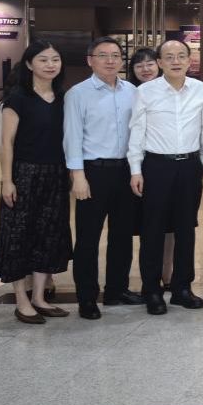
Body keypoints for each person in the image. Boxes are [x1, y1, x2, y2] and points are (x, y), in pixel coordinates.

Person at [0, 40, 72, 324]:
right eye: (43, 59)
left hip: (56, 174)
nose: (50, 65)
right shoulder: (18, 98)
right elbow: (7, 143)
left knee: (48, 234)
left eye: (55, 59)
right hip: (24, 174)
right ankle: (21, 299)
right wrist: (7, 181)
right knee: (19, 235)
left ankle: (39, 297)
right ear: (29, 64)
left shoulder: (64, 98)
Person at [127, 39, 203, 315]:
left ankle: (182, 288)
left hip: (190, 166)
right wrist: (135, 170)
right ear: (160, 62)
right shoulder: (146, 91)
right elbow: (137, 131)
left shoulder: (200, 89)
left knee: (186, 229)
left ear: (189, 61)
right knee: (153, 230)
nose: (175, 61)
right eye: (169, 57)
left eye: (181, 56)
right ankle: (151, 289)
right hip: (156, 167)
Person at [64, 36, 140, 320]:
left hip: (125, 171)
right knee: (88, 238)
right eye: (103, 55)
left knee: (122, 235)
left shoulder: (132, 91)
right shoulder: (78, 94)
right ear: (90, 60)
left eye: (115, 55)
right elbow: (72, 137)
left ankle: (116, 290)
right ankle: (86, 297)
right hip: (92, 172)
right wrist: (77, 176)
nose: (110, 61)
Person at [127, 47, 175, 289]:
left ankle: (168, 274)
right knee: (146, 226)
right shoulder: (128, 92)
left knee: (170, 226)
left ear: (159, 64)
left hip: (164, 166)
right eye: (139, 65)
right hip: (135, 167)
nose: (145, 69)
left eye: (149, 64)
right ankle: (148, 277)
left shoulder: (174, 90)